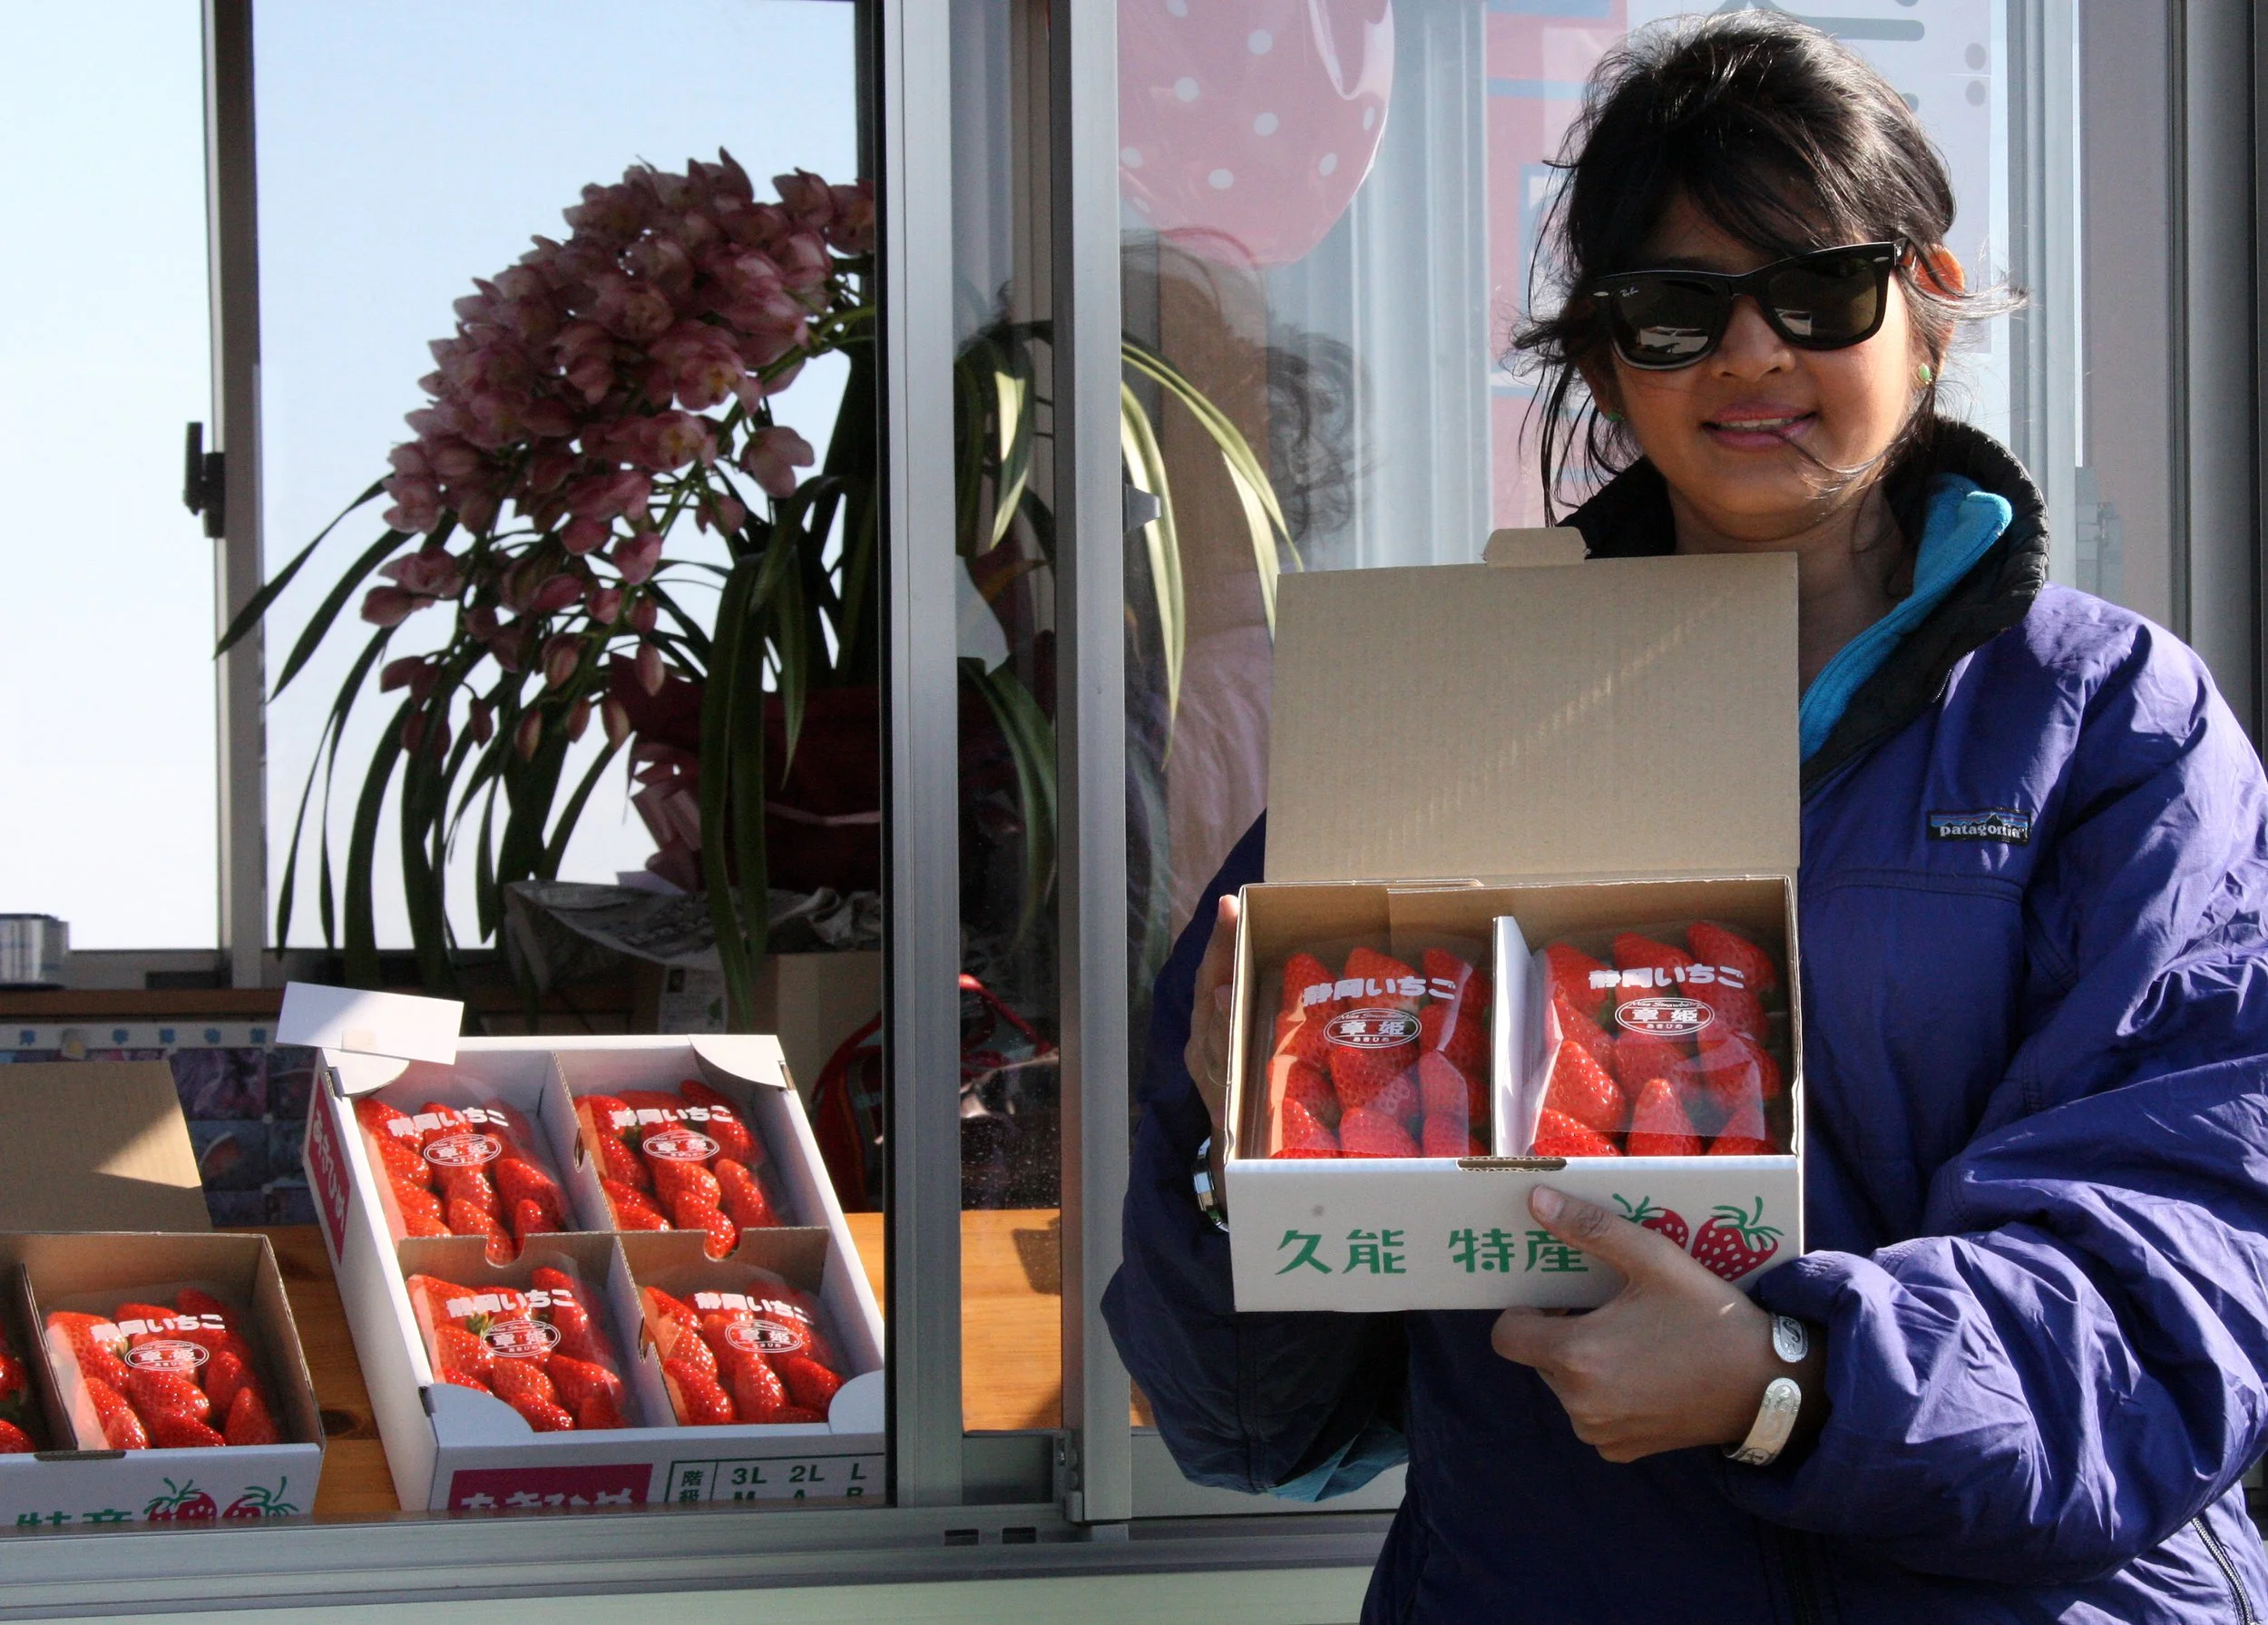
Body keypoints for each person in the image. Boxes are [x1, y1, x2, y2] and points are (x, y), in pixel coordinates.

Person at [1102, 14, 2268, 1622]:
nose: (1752, 355)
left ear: (1927, 302)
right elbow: (1252, 1422)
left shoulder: (2108, 726)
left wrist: (1788, 1376)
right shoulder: (1439, 720)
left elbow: (2182, 1272)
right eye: (1673, 310)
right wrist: (1243, 1154)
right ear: (1599, 359)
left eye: (1819, 289)